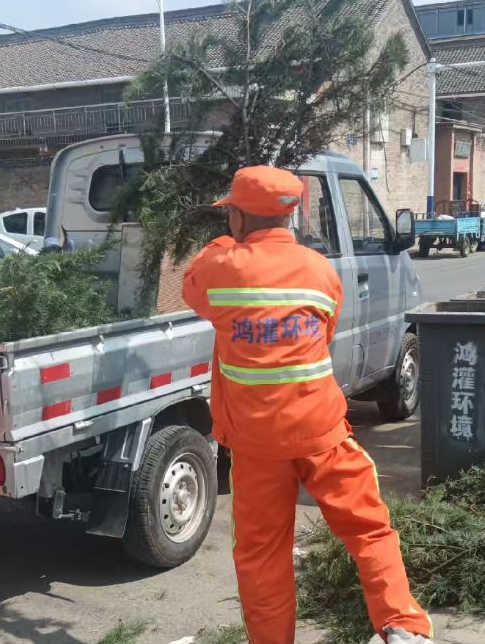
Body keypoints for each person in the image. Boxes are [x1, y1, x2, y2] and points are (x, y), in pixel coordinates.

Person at [182, 166, 433, 644]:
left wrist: (222, 243)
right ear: (291, 215)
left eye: (231, 213)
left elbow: (191, 284)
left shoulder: (220, 268)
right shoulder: (320, 271)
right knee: (369, 528)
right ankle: (403, 625)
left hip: (256, 444)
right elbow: (326, 330)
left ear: (237, 217)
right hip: (322, 432)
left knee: (261, 556)